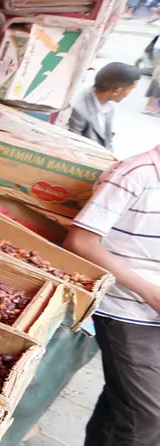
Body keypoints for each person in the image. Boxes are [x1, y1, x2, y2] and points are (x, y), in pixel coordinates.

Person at [65, 144, 160, 446]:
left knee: (122, 401)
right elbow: (80, 241)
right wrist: (151, 293)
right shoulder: (136, 173)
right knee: (147, 420)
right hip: (124, 310)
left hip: (151, 313)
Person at [68, 62, 140, 153]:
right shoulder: (79, 109)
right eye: (131, 89)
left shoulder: (108, 108)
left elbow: (108, 141)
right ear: (117, 91)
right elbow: (73, 145)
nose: (130, 92)